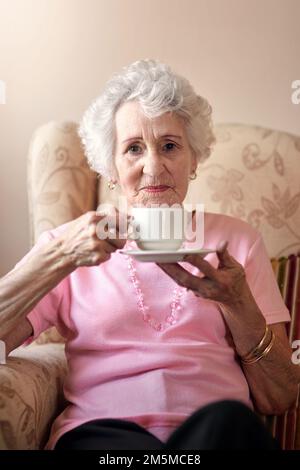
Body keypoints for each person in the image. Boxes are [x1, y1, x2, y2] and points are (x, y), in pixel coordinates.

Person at [1, 59, 298, 450]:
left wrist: (237, 302)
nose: (153, 167)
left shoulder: (237, 242)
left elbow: (279, 397)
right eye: (134, 149)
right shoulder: (71, 246)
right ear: (111, 166)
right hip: (105, 437)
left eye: (170, 146)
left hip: (215, 436)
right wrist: (59, 255)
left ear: (194, 160)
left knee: (228, 421)